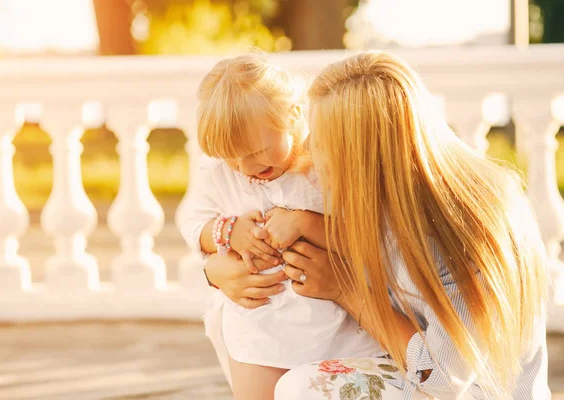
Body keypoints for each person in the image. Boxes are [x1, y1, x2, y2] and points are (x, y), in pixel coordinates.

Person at [204, 51, 550, 399]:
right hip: (411, 367)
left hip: (469, 391)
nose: (308, 149)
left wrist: (347, 291)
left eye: (321, 142)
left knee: (303, 388)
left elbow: (442, 380)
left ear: (361, 154)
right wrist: (216, 267)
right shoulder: (386, 201)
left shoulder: (462, 231)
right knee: (233, 323)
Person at [179, 53, 384, 400]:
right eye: (232, 156)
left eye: (258, 150)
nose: (245, 166)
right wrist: (226, 233)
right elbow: (191, 222)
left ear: (292, 116)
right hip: (259, 322)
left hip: (336, 323)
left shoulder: (321, 167)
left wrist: (306, 223)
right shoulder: (220, 174)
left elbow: (365, 236)